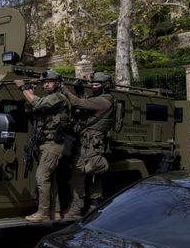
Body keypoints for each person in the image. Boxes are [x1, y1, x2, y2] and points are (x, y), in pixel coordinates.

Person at [14, 70, 71, 222]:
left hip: (54, 144)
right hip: (46, 144)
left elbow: (38, 103)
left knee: (41, 177)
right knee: (50, 180)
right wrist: (29, 94)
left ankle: (43, 213)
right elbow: (34, 109)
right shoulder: (49, 98)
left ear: (57, 83)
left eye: (49, 81)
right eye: (44, 82)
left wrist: (22, 89)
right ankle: (55, 212)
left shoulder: (59, 97)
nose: (46, 84)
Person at [61, 72, 115, 217]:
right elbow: (86, 104)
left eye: (97, 84)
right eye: (93, 83)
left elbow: (78, 103)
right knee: (91, 176)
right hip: (89, 143)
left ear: (105, 86)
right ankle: (93, 206)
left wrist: (64, 89)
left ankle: (77, 209)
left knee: (78, 175)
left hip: (90, 145)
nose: (93, 86)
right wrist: (80, 91)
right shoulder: (101, 99)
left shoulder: (104, 101)